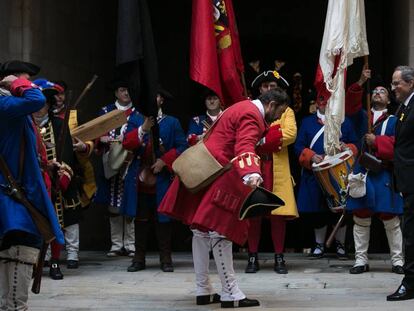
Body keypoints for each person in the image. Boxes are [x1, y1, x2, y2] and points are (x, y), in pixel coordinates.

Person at [159, 89, 288, 308]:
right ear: (271, 104)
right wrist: (252, 173)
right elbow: (244, 145)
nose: (278, 118)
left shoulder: (241, 105)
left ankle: (203, 289)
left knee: (199, 231)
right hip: (221, 173)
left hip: (203, 169)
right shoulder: (252, 114)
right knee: (221, 231)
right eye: (280, 112)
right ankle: (231, 293)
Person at [0, 60, 64, 310]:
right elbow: (36, 99)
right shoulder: (5, 103)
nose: (28, 85)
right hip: (11, 196)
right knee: (20, 250)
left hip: (16, 192)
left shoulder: (10, 105)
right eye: (24, 79)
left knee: (13, 252)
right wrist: (17, 84)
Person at [345, 68, 404, 274]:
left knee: (391, 218)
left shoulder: (396, 120)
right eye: (375, 91)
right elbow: (350, 103)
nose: (378, 93)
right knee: (361, 217)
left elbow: (400, 144)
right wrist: (361, 81)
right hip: (363, 173)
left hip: (384, 172)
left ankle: (397, 261)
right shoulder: (362, 116)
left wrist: (377, 141)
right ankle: (360, 260)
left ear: (389, 100)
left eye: (382, 91)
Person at [125, 88, 187, 273]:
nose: (154, 99)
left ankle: (166, 259)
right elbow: (127, 143)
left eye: (157, 96)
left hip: (162, 179)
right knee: (140, 220)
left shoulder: (172, 122)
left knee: (164, 221)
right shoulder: (135, 119)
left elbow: (182, 146)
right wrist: (143, 129)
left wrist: (164, 161)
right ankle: (139, 258)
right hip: (140, 179)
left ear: (161, 100)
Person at [32, 78, 88, 278]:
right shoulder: (26, 125)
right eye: (37, 105)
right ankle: (37, 261)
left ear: (48, 106)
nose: (40, 109)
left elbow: (66, 157)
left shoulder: (59, 125)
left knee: (57, 221)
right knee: (36, 223)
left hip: (55, 184)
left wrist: (60, 180)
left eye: (44, 105)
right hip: (31, 184)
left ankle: (55, 261)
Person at [245, 71, 298, 274]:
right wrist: (271, 137)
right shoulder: (252, 109)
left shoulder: (287, 111)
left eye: (272, 86)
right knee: (254, 213)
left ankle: (279, 257)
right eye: (265, 86)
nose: (269, 89)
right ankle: (252, 256)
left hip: (277, 169)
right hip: (256, 167)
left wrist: (263, 141)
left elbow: (290, 134)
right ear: (260, 90)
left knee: (278, 214)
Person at [294, 94, 358, 259]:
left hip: (339, 173)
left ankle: (340, 245)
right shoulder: (307, 122)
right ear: (316, 103)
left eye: (328, 101)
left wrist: (347, 147)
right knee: (317, 211)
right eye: (321, 100)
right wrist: (311, 156)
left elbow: (356, 144)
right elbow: (298, 146)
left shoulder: (345, 122)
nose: (325, 103)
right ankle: (319, 245)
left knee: (339, 210)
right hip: (314, 174)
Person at [94, 80, 137, 258]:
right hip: (110, 161)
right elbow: (95, 131)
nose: (126, 93)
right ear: (116, 93)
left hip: (130, 162)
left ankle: (130, 244)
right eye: (122, 89)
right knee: (112, 203)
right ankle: (116, 244)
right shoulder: (106, 111)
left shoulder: (137, 111)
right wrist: (100, 139)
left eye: (128, 90)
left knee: (130, 202)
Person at [387, 65, 414, 301]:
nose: (393, 87)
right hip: (407, 182)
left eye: (397, 83)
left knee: (412, 234)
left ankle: (410, 282)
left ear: (411, 83)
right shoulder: (404, 108)